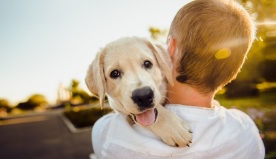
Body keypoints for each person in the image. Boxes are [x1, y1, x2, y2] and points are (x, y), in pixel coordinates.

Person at [91, 0, 265, 158]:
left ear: (170, 49)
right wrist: (159, 118)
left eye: (146, 63)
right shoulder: (246, 131)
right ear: (232, 70)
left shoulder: (108, 135)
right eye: (115, 74)